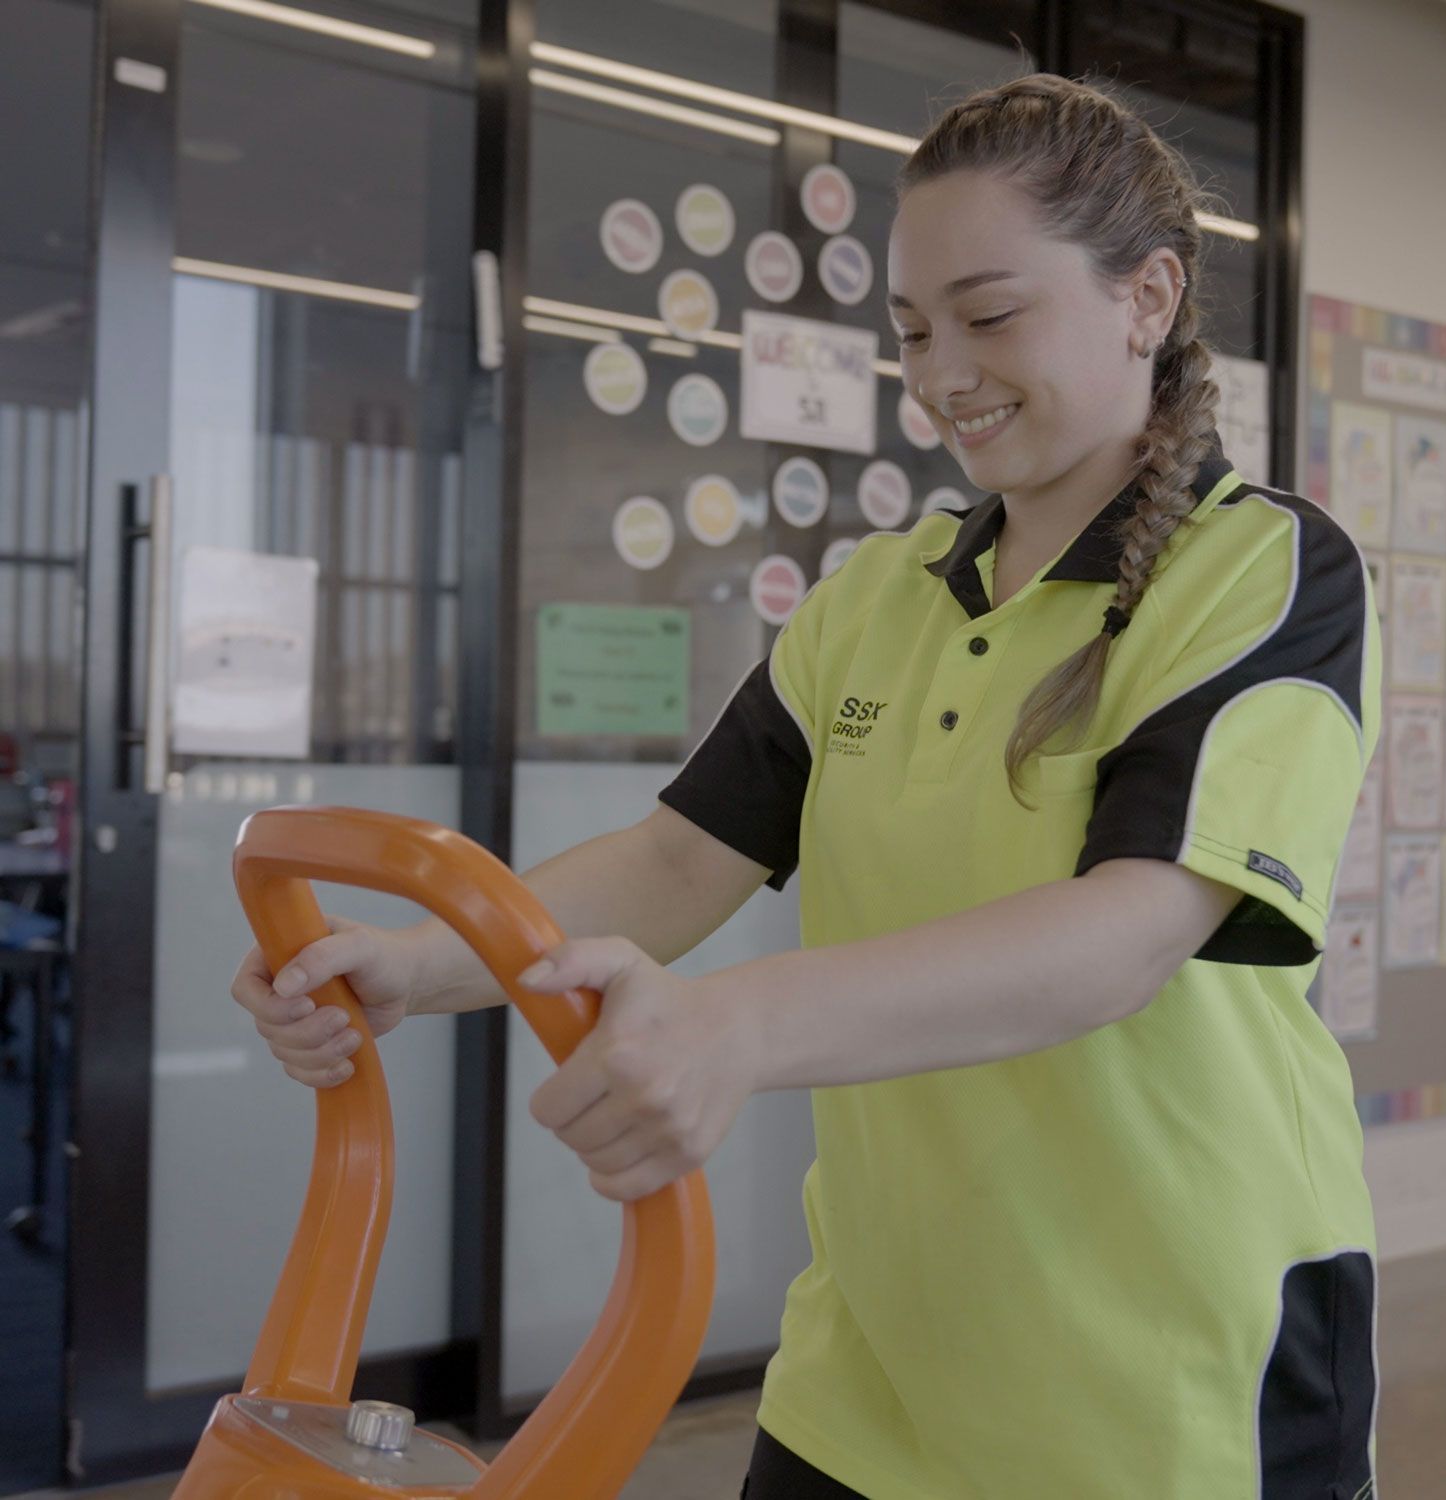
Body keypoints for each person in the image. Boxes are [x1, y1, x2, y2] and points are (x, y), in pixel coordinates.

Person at [232, 71, 1381, 1500]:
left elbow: (1127, 935)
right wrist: (421, 962)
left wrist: (733, 1028)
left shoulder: (1265, 572)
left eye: (989, 315)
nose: (943, 375)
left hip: (1173, 1381)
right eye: (912, 331)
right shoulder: (877, 597)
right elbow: (676, 861)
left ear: (1148, 297)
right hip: (872, 1368)